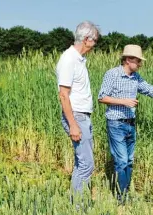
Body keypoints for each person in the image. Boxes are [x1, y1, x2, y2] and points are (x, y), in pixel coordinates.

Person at [98, 44, 153, 202]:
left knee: (129, 161)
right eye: (138, 61)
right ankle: (121, 197)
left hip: (131, 124)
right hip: (116, 123)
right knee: (122, 161)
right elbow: (102, 97)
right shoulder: (112, 74)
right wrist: (124, 102)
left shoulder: (136, 78)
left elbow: (151, 90)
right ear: (127, 60)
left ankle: (124, 193)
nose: (140, 64)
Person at [56, 21, 100, 196]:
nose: (95, 45)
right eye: (95, 41)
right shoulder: (69, 59)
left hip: (82, 117)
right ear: (87, 39)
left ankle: (77, 204)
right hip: (77, 117)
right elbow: (63, 95)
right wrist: (73, 124)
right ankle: (79, 211)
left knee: (81, 162)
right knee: (87, 165)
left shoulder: (79, 60)